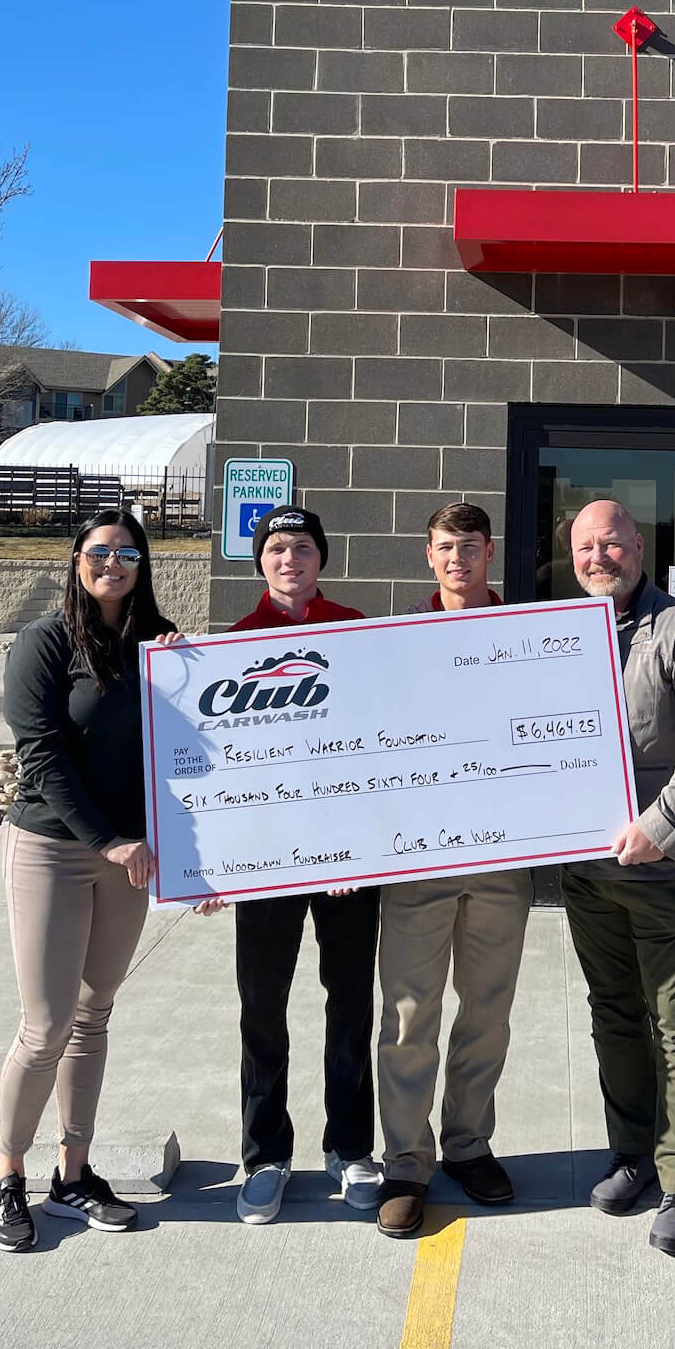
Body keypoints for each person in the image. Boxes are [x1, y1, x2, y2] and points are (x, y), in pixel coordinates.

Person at [0, 509, 177, 1252]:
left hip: (128, 857)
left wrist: (187, 673)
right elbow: (40, 755)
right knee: (45, 1027)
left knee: (93, 1016)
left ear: (143, 565)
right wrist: (109, 841)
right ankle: (7, 1175)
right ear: (77, 560)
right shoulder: (43, 642)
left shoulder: (160, 644)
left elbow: (189, 748)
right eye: (100, 552)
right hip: (54, 848)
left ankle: (73, 1173)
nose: (113, 564)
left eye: (128, 553)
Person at [195, 505, 384, 1224]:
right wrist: (207, 863)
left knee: (351, 1004)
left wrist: (359, 845)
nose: (289, 559)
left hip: (345, 863)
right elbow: (209, 765)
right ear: (260, 562)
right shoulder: (231, 647)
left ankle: (350, 1147)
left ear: (320, 558)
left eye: (302, 547)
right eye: (276, 548)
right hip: (266, 862)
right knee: (262, 1008)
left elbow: (379, 742)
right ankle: (265, 1155)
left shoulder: (356, 632)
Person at [561, 499, 675, 1256]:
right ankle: (631, 1152)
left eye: (611, 543)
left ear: (638, 547)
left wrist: (662, 828)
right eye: (585, 546)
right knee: (613, 1014)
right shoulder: (558, 634)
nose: (598, 557)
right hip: (586, 871)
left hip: (662, 869)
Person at [373, 504, 534, 1239]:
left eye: (470, 546)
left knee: (487, 1011)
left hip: (501, 857)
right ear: (427, 555)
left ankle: (468, 1144)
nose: (457, 559)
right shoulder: (395, 641)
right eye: (445, 547)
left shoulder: (529, 638)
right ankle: (406, 1162)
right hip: (419, 857)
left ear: (490, 552)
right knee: (410, 1014)